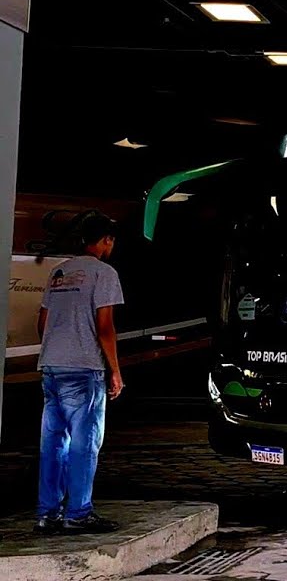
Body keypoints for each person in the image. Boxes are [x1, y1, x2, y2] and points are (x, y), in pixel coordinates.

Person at [34, 214, 125, 534]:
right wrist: (115, 371)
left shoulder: (59, 272)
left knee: (53, 442)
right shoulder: (104, 273)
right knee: (84, 444)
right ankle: (79, 513)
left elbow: (42, 323)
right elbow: (105, 328)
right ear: (105, 241)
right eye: (111, 240)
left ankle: (47, 514)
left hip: (52, 366)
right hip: (84, 369)